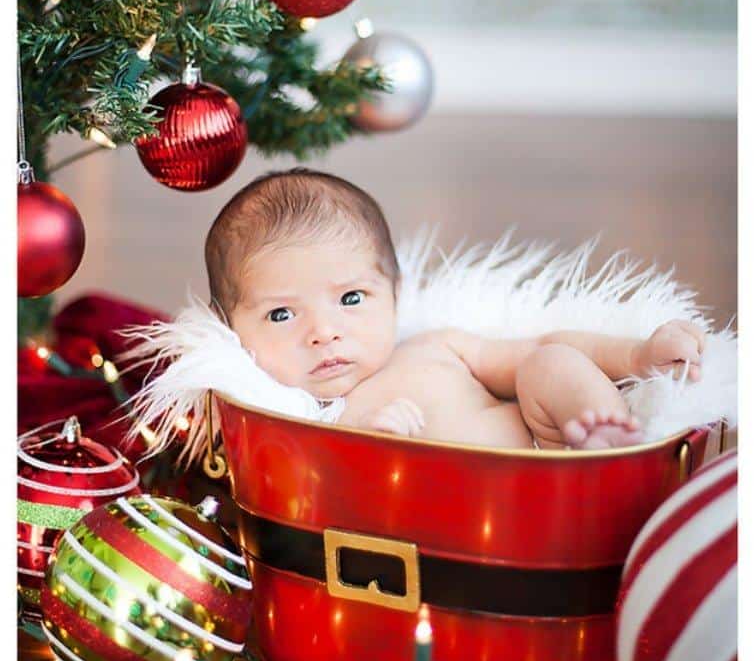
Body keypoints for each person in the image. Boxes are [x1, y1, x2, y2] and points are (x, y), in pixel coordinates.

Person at [204, 169, 705, 450]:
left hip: (549, 452)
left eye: (351, 299)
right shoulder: (298, 422)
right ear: (230, 327)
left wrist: (636, 356)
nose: (324, 333)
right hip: (459, 524)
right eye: (282, 315)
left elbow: (541, 345)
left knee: (548, 363)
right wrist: (369, 445)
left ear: (396, 293)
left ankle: (605, 444)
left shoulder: (433, 347)